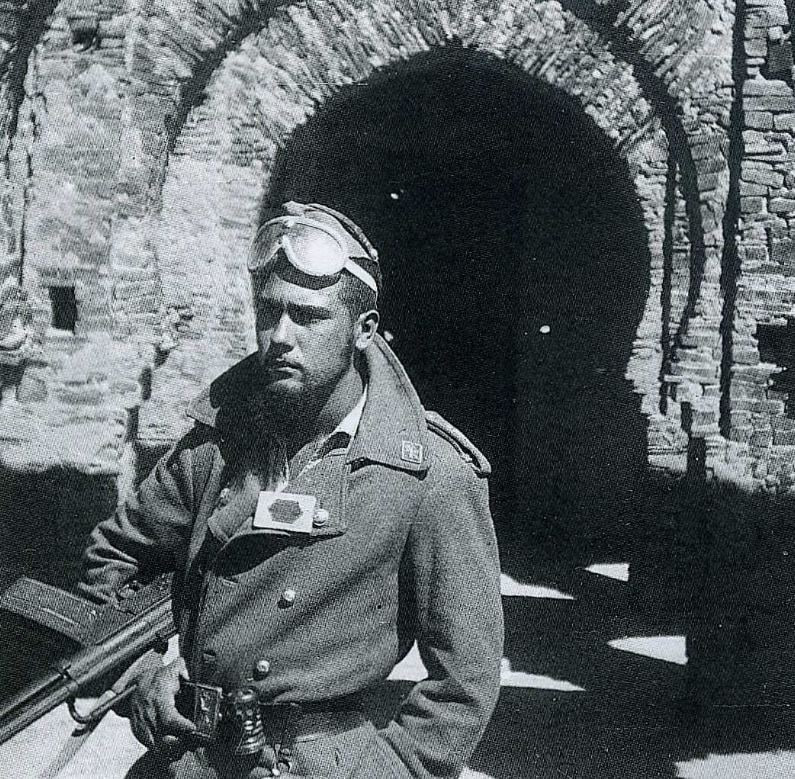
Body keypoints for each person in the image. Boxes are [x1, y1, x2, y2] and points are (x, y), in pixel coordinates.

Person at [79, 201, 504, 779]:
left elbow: (465, 682)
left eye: (307, 316)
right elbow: (115, 555)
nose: (280, 337)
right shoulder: (215, 445)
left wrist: (388, 769)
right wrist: (137, 674)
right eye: (268, 312)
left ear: (363, 330)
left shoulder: (429, 476)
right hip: (191, 759)